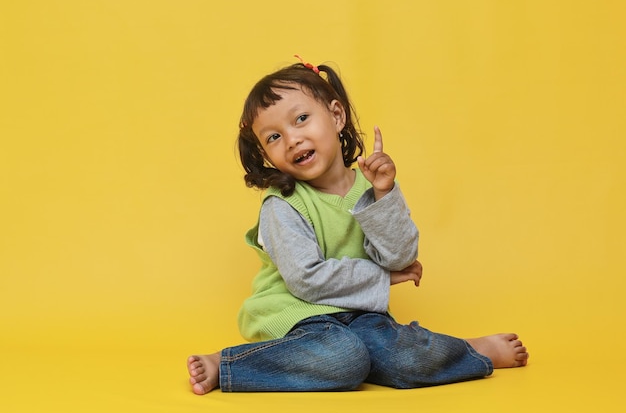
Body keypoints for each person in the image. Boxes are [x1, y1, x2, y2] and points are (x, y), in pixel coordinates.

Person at [186, 57, 529, 394]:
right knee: (343, 358)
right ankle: (228, 364)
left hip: (360, 314)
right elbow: (306, 279)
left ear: (336, 116)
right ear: (265, 153)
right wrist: (383, 279)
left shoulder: (369, 186)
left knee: (402, 356)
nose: (291, 140)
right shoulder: (282, 204)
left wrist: (384, 194)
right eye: (274, 137)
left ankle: (467, 351)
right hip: (299, 316)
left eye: (301, 119)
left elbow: (399, 255)